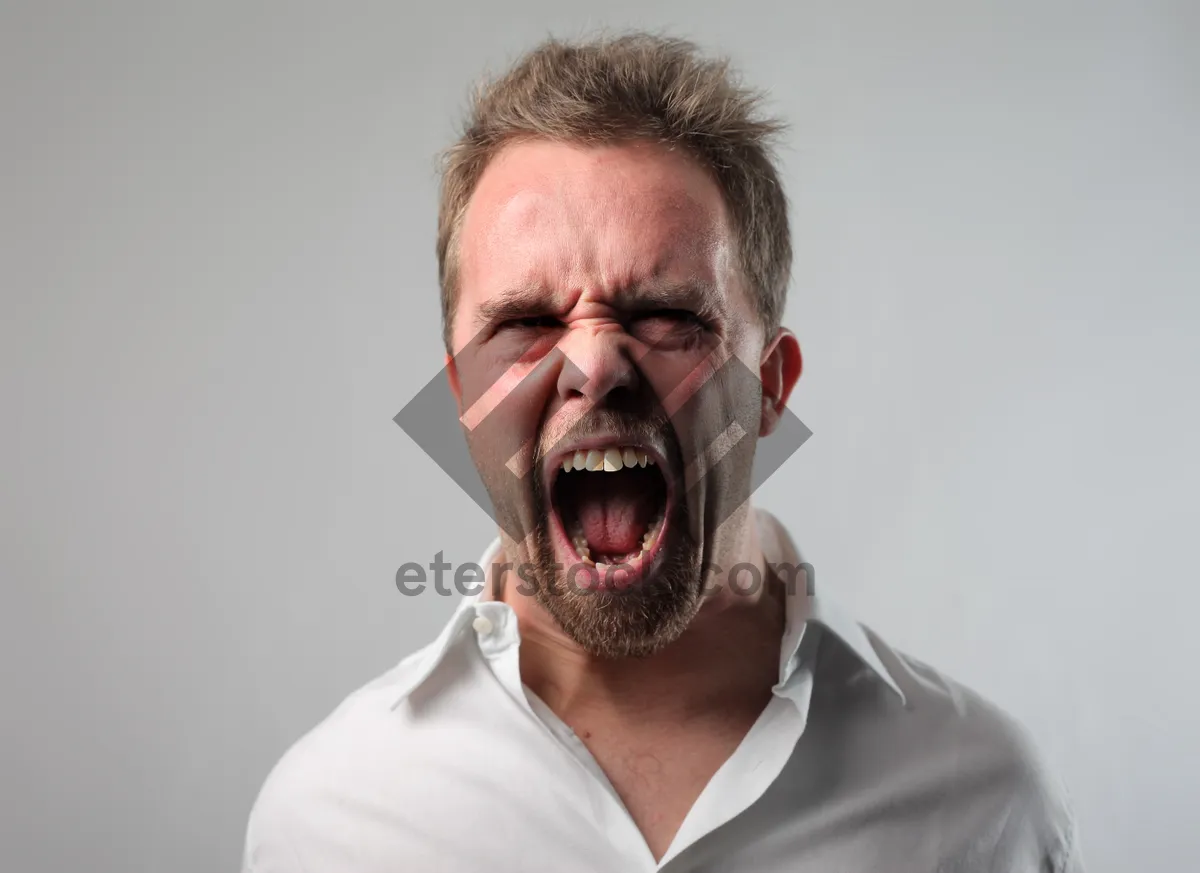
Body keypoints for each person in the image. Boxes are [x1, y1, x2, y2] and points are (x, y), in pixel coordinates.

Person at [242, 31, 1081, 872]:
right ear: (462, 397)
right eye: (530, 323)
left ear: (770, 386)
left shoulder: (982, 803)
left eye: (667, 314)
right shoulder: (328, 822)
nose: (597, 363)